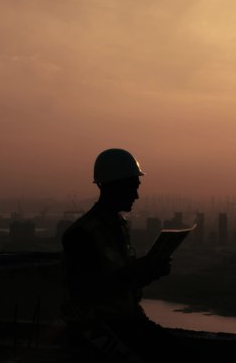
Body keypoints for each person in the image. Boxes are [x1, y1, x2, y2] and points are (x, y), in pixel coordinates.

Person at [61, 148, 182, 361]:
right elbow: (87, 290)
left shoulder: (117, 227)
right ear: (114, 187)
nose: (136, 195)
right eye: (132, 188)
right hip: (100, 329)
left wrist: (149, 273)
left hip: (127, 320)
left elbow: (121, 283)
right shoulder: (82, 234)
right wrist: (137, 270)